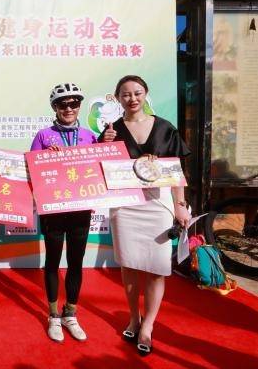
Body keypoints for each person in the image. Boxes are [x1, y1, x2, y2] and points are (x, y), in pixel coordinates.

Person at [99, 75, 191, 356]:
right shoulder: (112, 131)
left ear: (146, 94)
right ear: (118, 98)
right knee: (128, 265)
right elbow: (99, 168)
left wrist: (180, 204)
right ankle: (134, 318)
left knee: (156, 268)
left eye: (137, 93)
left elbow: (176, 169)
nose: (132, 98)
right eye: (126, 94)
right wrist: (104, 144)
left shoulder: (165, 128)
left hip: (158, 205)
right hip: (125, 205)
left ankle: (148, 325)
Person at [30, 83, 97, 343]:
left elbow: (101, 167)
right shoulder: (43, 135)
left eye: (74, 103)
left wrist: (108, 143)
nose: (69, 109)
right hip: (54, 210)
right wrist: (46, 157)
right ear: (54, 108)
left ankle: (71, 313)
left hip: (80, 209)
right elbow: (31, 169)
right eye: (62, 104)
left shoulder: (90, 136)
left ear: (79, 105)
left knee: (76, 261)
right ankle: (53, 315)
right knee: (53, 261)